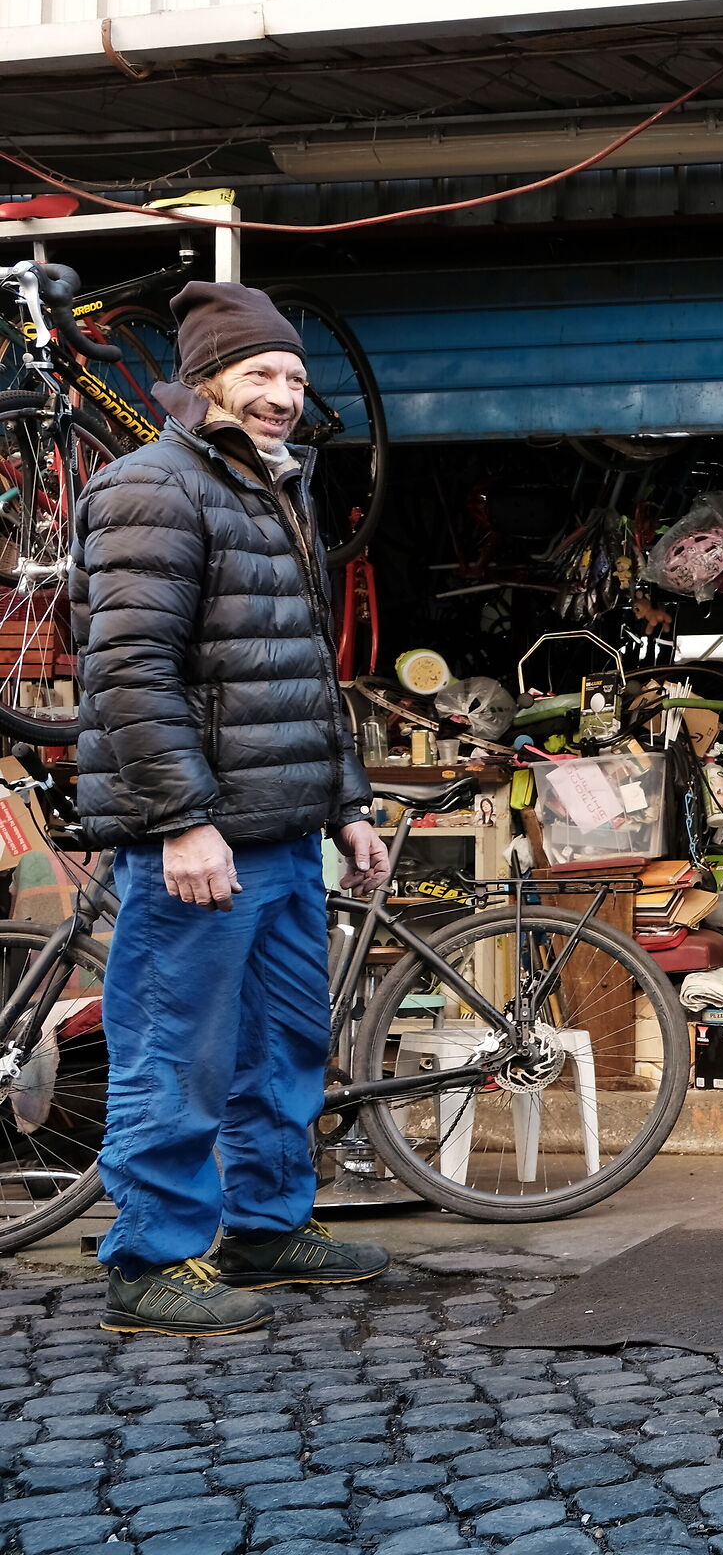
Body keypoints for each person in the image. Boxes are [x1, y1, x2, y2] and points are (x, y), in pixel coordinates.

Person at [72, 280, 393, 1336]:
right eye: (260, 373)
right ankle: (148, 1259)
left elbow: (303, 670)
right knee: (178, 1049)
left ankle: (265, 1225)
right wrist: (179, 819)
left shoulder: (275, 489)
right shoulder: (150, 488)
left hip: (288, 832)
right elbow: (127, 672)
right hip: (204, 838)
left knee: (283, 1046)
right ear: (204, 382)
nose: (283, 395)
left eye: (296, 378)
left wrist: (348, 804)